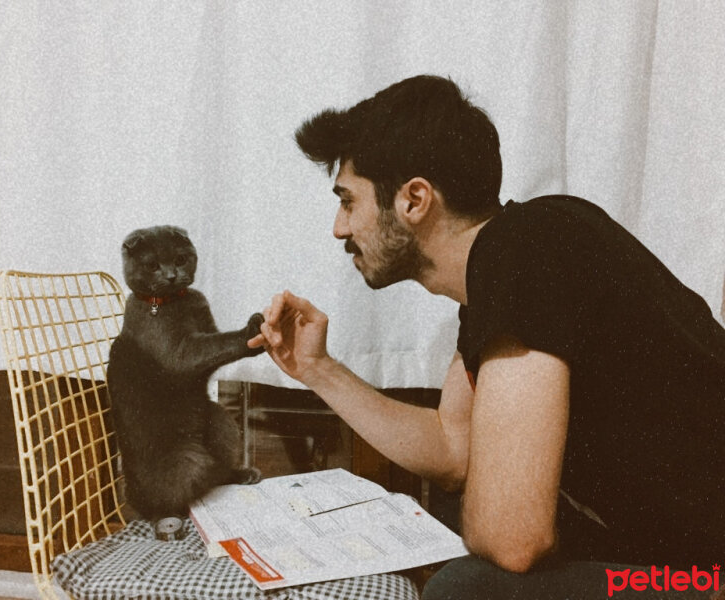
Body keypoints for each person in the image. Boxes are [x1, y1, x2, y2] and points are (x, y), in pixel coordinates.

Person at [247, 75, 725, 599]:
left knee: (471, 586)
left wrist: (493, 504)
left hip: (706, 573)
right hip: (669, 555)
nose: (340, 229)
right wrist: (317, 369)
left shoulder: (524, 247)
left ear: (414, 199)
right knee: (463, 523)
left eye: (348, 201)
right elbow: (454, 452)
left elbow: (513, 537)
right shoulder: (504, 267)